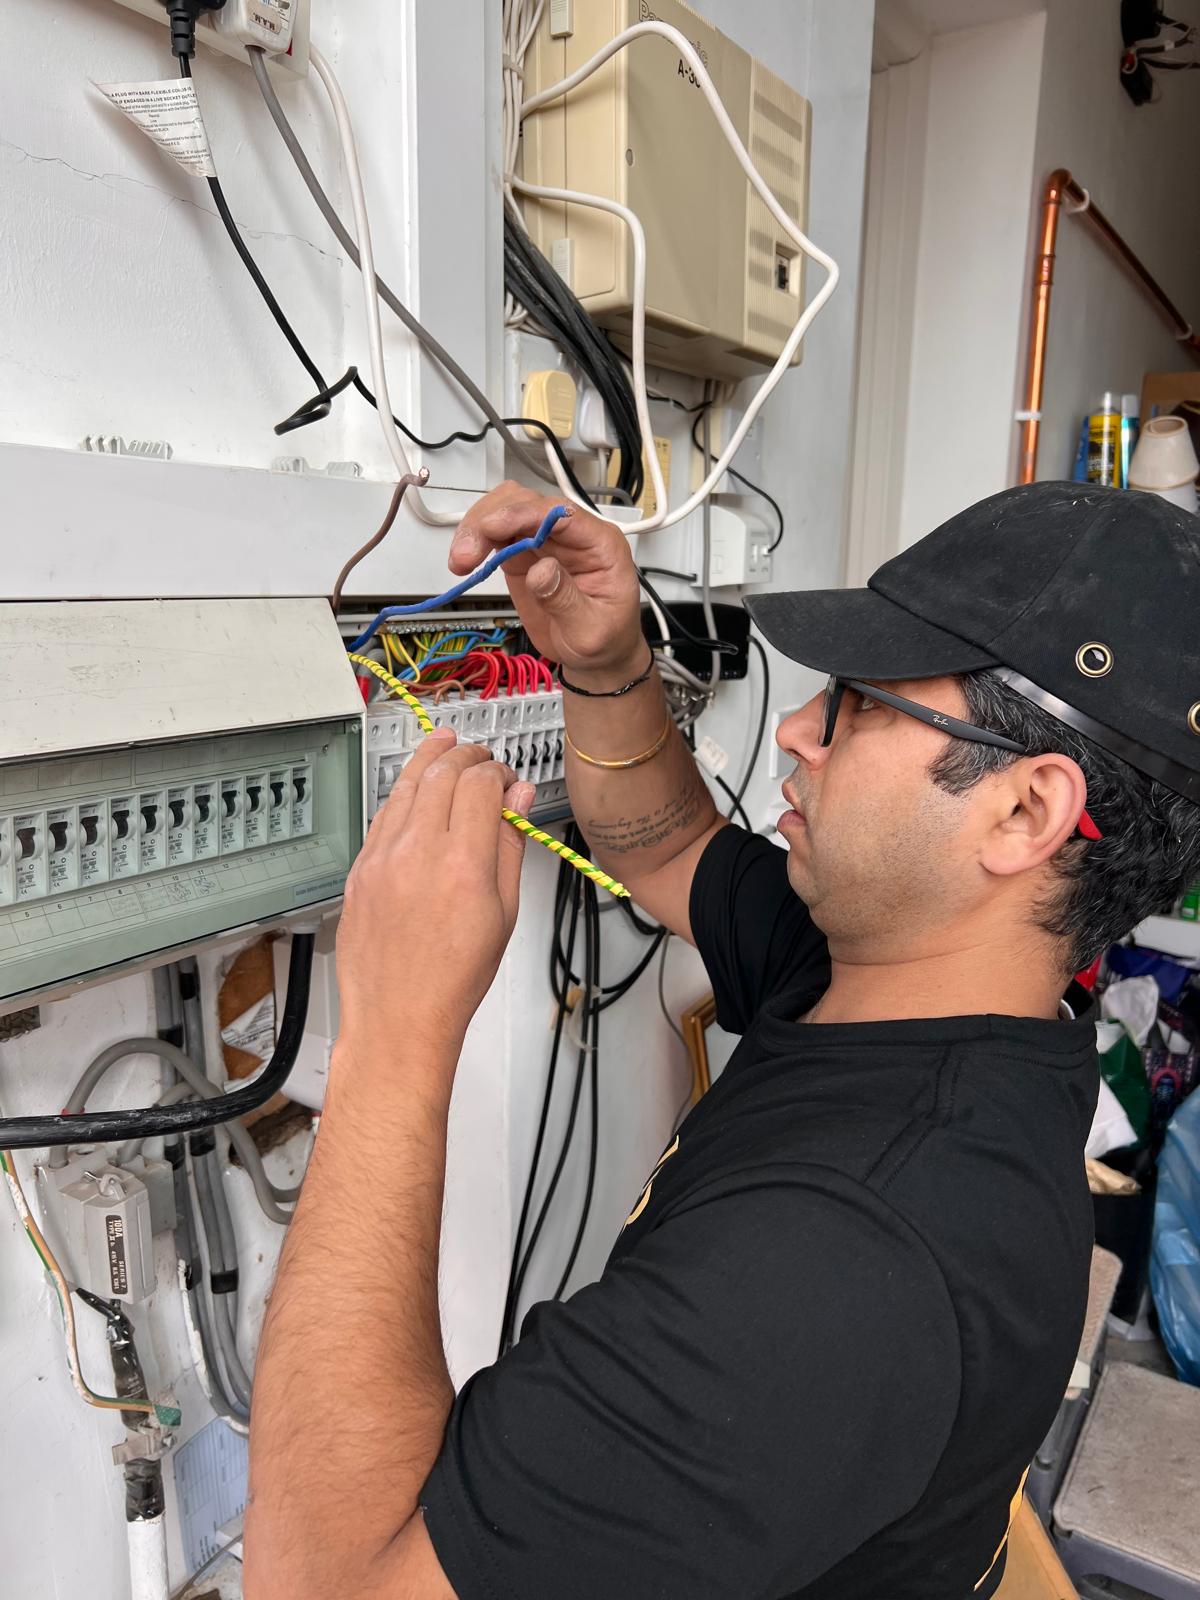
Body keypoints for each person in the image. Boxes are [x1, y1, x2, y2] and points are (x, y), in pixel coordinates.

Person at [245, 480, 1200, 1600]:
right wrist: (608, 664)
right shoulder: (912, 981)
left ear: (1026, 811)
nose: (796, 729)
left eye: (857, 705)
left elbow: (317, 1584)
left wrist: (393, 1036)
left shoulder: (836, 1271)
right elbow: (667, 846)